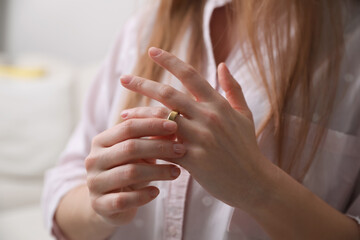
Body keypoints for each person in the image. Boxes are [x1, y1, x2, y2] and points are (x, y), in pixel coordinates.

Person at [42, 0, 360, 239]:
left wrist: (260, 188)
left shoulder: (351, 40)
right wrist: (99, 208)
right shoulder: (146, 25)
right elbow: (62, 187)